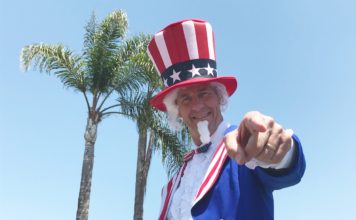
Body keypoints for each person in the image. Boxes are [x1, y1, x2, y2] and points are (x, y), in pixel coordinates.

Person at [146, 19, 306, 220]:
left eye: (204, 93)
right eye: (186, 98)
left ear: (220, 97)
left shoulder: (245, 146)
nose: (197, 106)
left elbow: (289, 169)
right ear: (176, 110)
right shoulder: (172, 185)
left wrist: (280, 148)